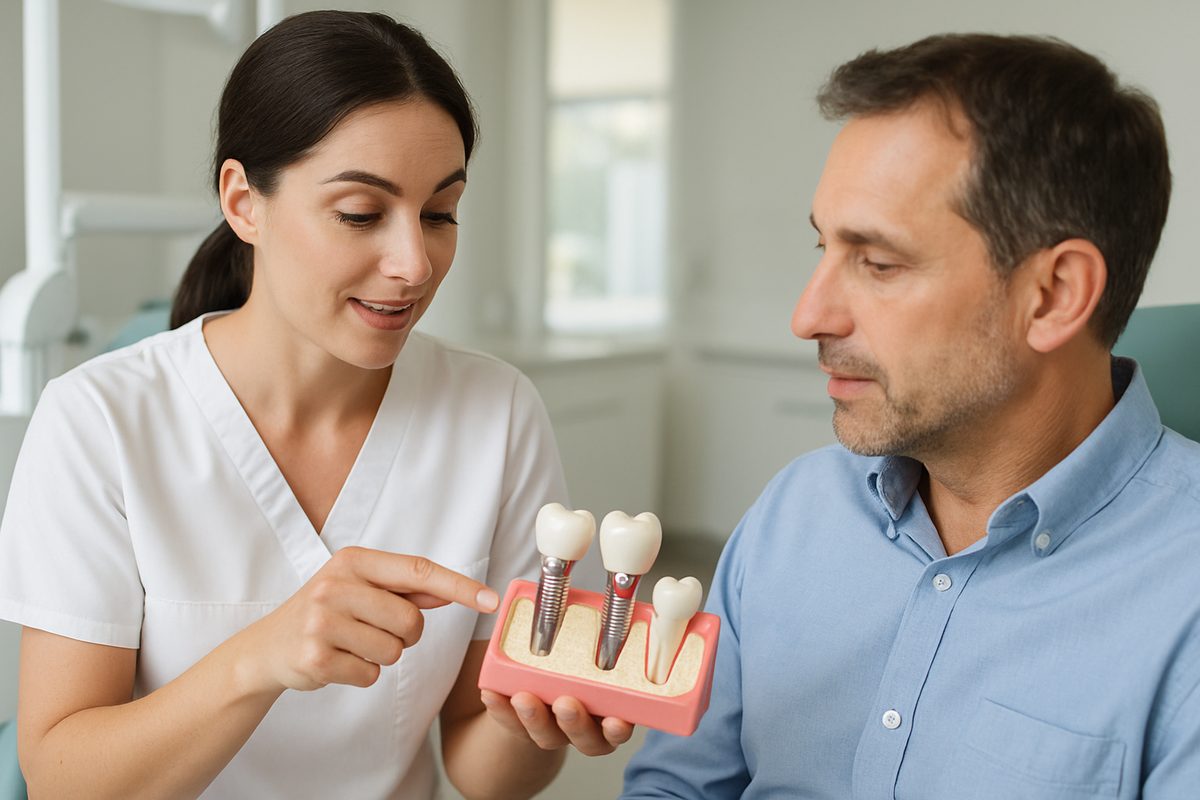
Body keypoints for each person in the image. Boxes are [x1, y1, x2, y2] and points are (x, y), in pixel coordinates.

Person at [0, 11, 630, 799]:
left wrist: (540, 720)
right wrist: (262, 657)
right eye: (361, 214)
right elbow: (61, 778)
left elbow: (479, 768)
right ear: (243, 202)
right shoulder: (98, 422)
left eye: (440, 213)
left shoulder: (495, 412)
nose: (413, 264)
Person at [623, 33, 1198, 799]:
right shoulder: (796, 512)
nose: (807, 315)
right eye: (823, 247)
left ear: (1055, 295)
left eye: (879, 263)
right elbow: (675, 787)